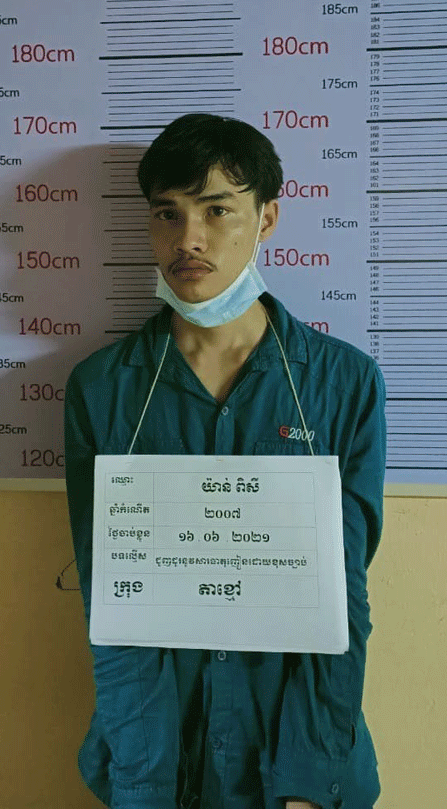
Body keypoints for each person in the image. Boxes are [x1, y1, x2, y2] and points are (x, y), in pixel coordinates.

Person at [65, 114, 386, 809]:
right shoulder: (103, 389)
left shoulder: (343, 384)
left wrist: (308, 780)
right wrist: (145, 782)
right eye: (168, 213)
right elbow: (112, 603)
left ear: (266, 218)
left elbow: (342, 600)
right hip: (160, 750)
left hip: (289, 755)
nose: (189, 239)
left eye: (217, 211)